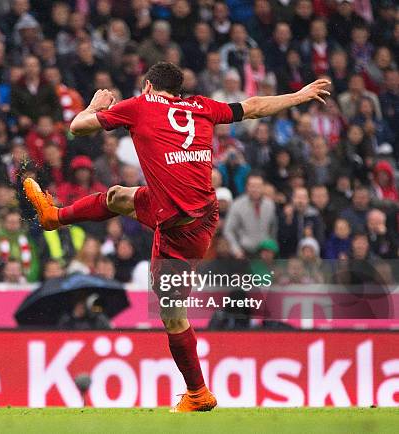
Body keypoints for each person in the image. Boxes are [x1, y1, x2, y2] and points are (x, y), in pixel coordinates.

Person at [23, 62, 331, 412]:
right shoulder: (201, 106)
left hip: (177, 228)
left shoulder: (139, 106)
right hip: (199, 214)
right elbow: (255, 106)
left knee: (171, 314)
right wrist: (300, 95)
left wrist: (96, 104)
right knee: (118, 196)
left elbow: (78, 128)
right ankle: (54, 216)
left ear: (149, 87)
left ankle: (198, 393)